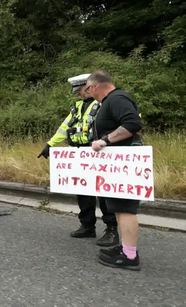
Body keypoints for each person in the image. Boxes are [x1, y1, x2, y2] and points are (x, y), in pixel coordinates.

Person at [37, 73, 119, 247]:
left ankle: (112, 229)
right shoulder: (78, 106)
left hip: (100, 151)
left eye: (80, 90)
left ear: (89, 87)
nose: (78, 94)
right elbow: (65, 127)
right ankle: (87, 225)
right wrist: (50, 144)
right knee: (83, 190)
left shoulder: (104, 102)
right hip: (80, 153)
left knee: (104, 192)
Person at [86, 70, 143, 271]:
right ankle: (126, 248)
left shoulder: (116, 98)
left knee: (125, 208)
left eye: (88, 89)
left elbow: (133, 123)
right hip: (117, 164)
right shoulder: (112, 100)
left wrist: (105, 140)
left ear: (94, 87)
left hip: (124, 165)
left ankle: (130, 256)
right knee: (119, 207)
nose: (89, 93)